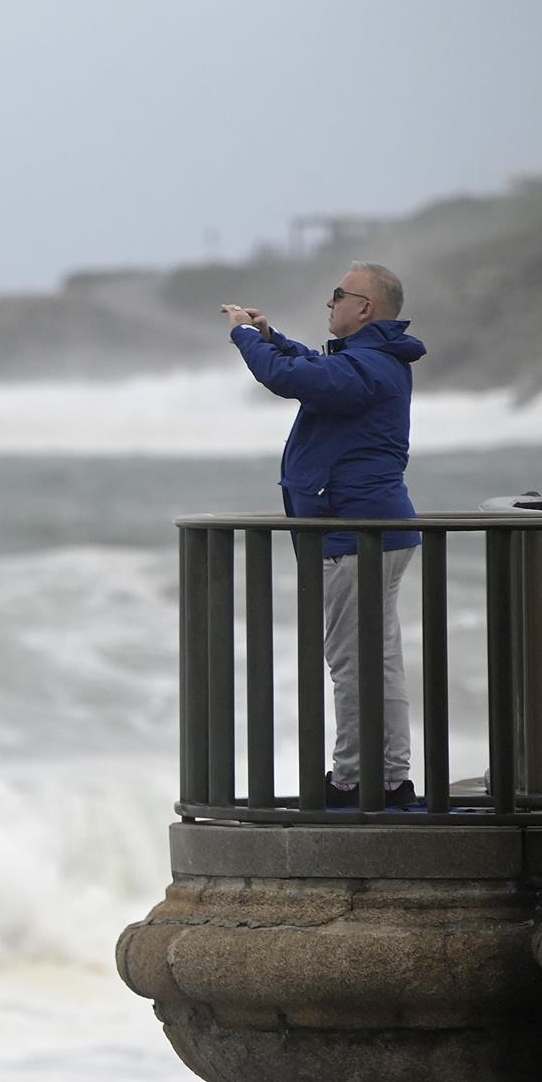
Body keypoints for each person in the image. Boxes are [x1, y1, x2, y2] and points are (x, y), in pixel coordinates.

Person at [220, 263, 426, 809]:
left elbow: (292, 379)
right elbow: (309, 365)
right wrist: (271, 337)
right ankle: (388, 779)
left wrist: (244, 337)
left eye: (339, 295)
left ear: (366, 308)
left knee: (353, 663)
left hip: (355, 532)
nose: (329, 303)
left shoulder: (369, 368)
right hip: (369, 530)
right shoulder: (370, 363)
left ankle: (355, 781)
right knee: (375, 660)